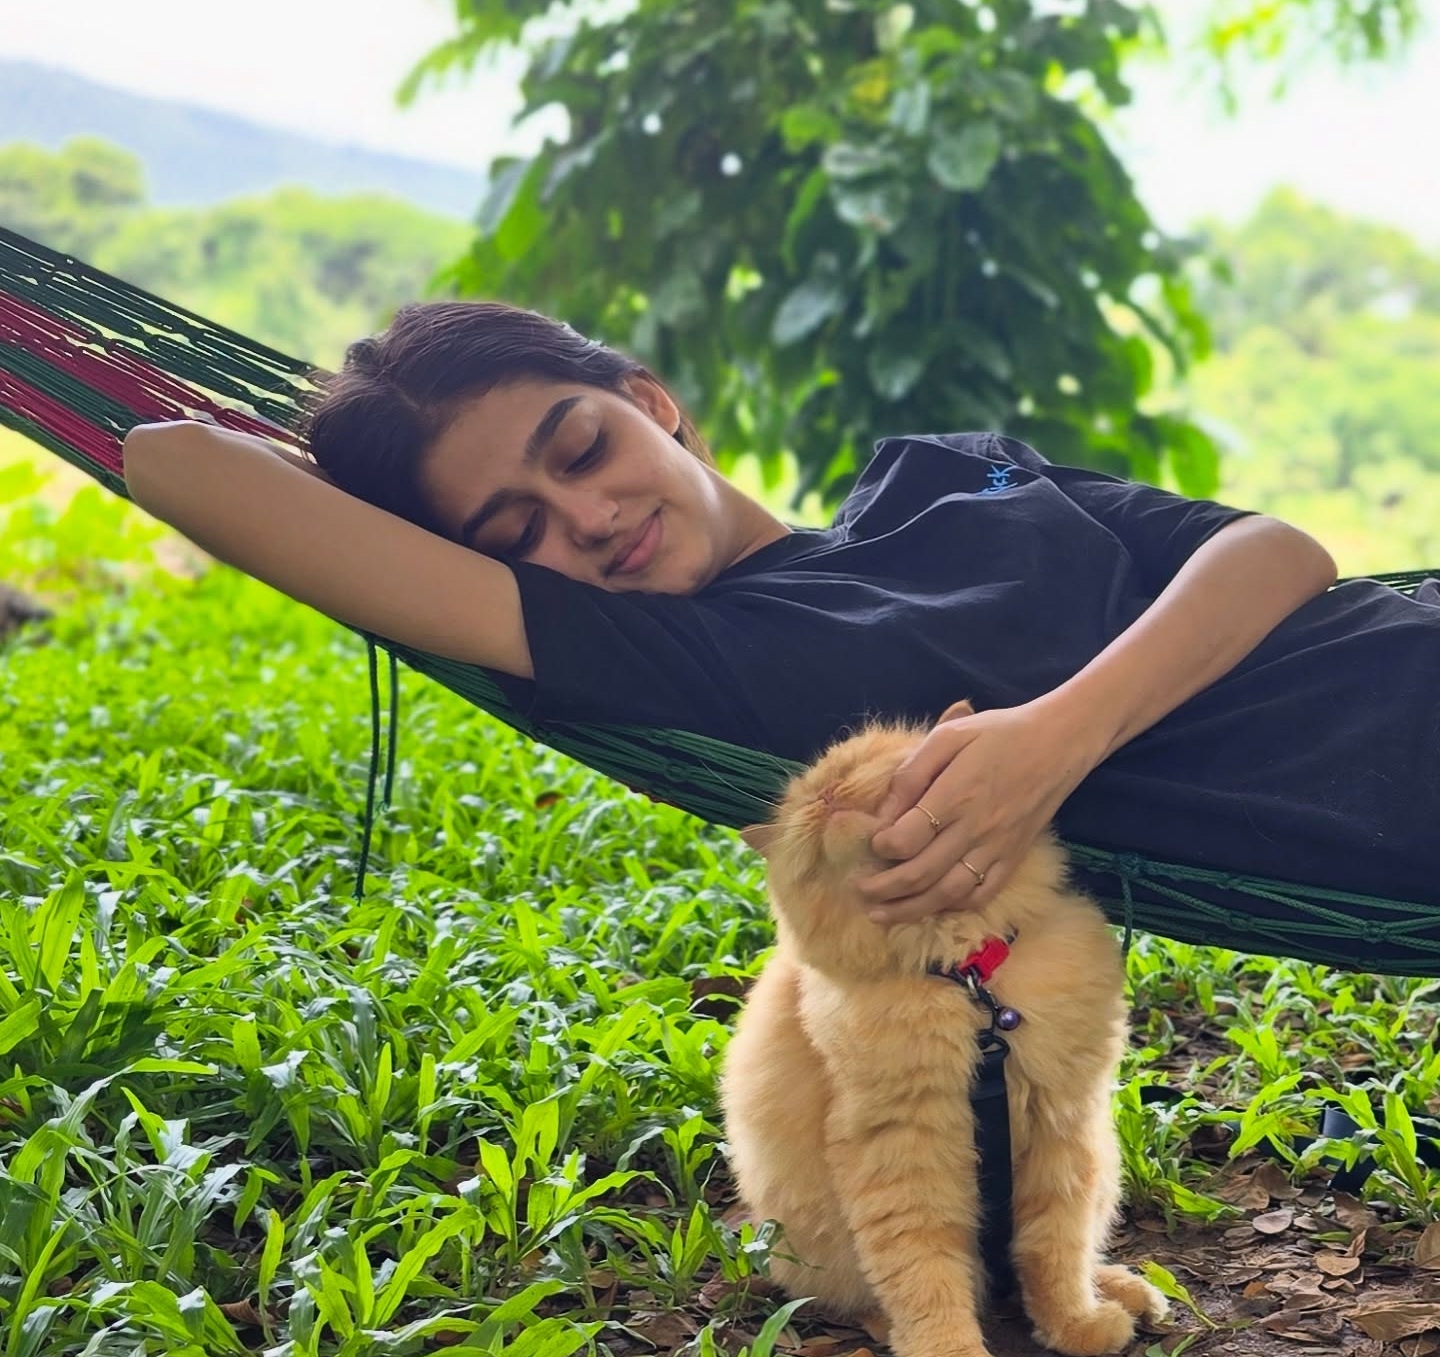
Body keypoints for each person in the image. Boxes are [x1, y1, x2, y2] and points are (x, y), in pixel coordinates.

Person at [122, 299, 1440, 920]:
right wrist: (356, 471)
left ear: (650, 403)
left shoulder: (941, 470)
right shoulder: (683, 661)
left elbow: (1276, 550)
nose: (586, 518)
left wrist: (1055, 738)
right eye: (517, 535)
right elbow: (172, 461)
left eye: (580, 449)